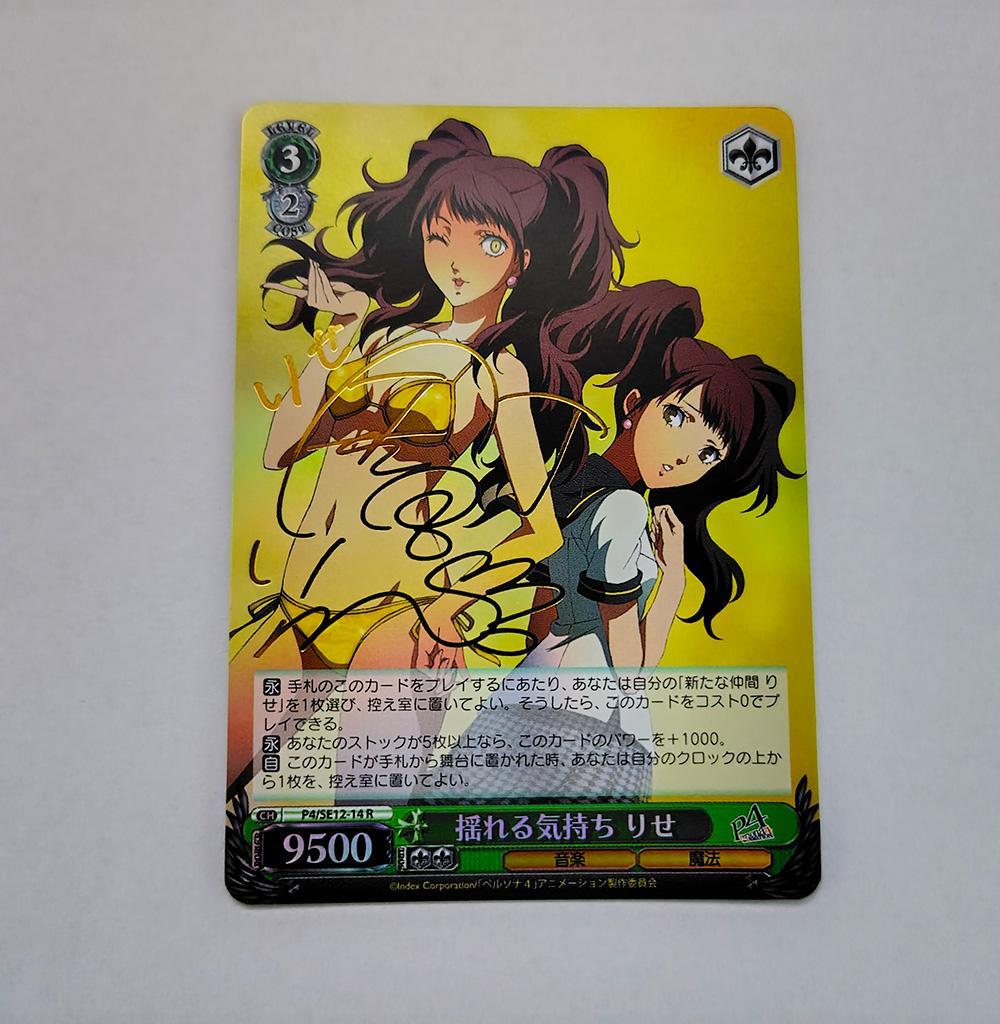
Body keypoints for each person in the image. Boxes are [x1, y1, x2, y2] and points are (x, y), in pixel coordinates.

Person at [227, 119, 632, 793]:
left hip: (401, 612)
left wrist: (452, 604)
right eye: (440, 235)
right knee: (217, 777)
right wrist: (342, 329)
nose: (456, 259)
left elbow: (540, 528)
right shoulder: (381, 336)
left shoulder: (501, 370)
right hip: (302, 595)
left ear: (520, 262)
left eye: (486, 242)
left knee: (372, 808)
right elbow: (279, 448)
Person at [446, 280, 801, 800]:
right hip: (591, 730)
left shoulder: (569, 482)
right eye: (679, 418)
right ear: (634, 402)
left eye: (709, 453)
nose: (684, 456)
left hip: (523, 706)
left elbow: (537, 621)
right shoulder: (624, 508)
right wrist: (672, 583)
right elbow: (632, 668)